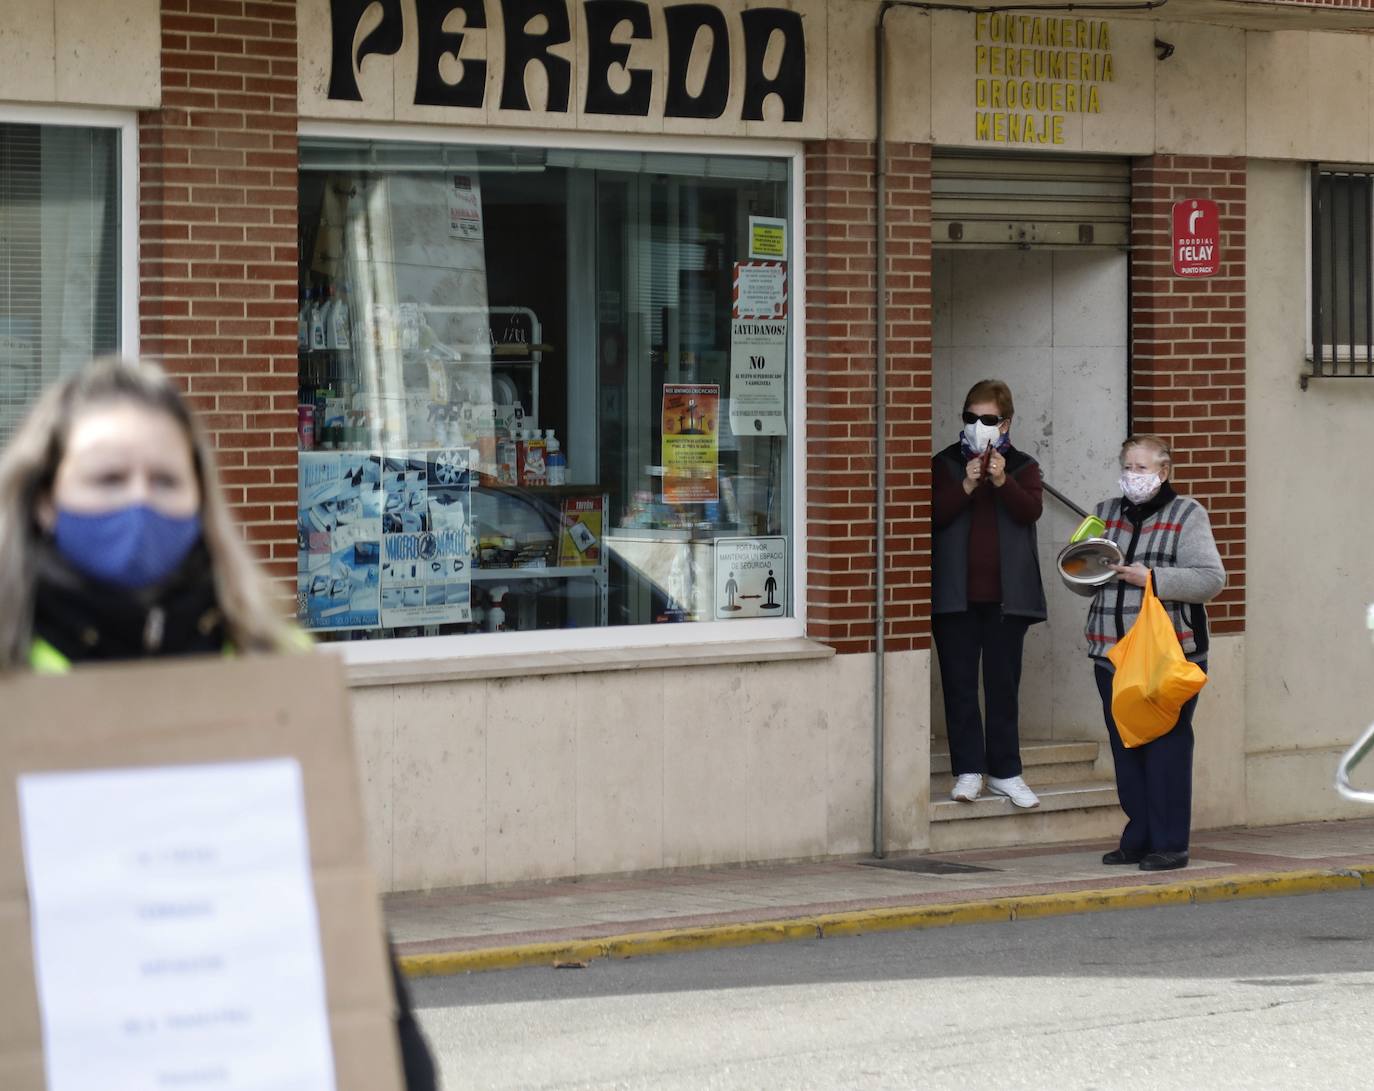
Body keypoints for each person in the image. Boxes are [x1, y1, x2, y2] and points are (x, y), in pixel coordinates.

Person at [0, 357, 438, 1088]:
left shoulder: (272, 673)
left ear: (200, 500)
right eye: (109, 480)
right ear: (46, 498)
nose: (139, 502)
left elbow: (340, 927)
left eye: (165, 481)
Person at [1087, 435, 1224, 872]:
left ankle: (1170, 843)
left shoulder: (1188, 514)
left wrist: (1151, 578)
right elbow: (1079, 571)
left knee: (1165, 746)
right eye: (1128, 465)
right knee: (1126, 746)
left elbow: (1209, 579)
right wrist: (1081, 568)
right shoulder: (1104, 513)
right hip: (1111, 650)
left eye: (1142, 467)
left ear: (1163, 472)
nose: (1133, 475)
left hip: (1170, 653)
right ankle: (1139, 837)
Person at [931, 379, 1046, 809]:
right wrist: (965, 484)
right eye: (970, 418)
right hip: (955, 598)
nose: (979, 426)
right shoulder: (944, 464)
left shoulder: (1023, 466)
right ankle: (968, 770)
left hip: (1006, 600)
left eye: (988, 419)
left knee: (1003, 687)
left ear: (1006, 422)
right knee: (959, 684)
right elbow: (931, 515)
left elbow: (1030, 510)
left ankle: (1006, 772)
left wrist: (1001, 481)